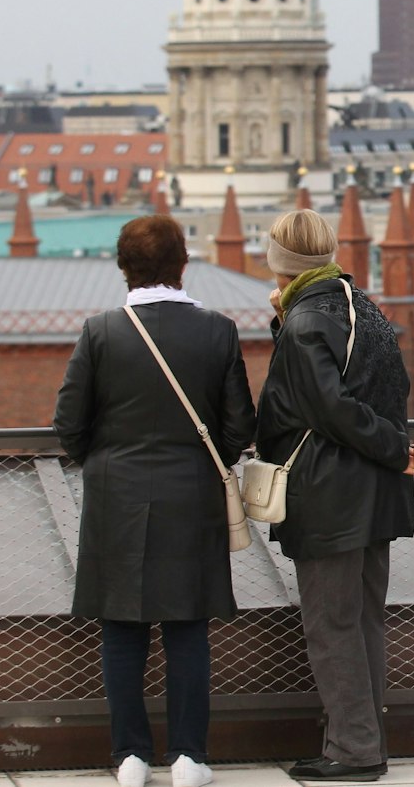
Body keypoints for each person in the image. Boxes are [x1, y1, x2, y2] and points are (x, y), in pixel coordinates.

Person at [53, 214, 256, 787]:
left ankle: (131, 757)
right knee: (187, 628)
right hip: (191, 495)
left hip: (115, 497)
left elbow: (68, 423)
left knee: (121, 629)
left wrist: (105, 459)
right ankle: (190, 756)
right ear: (183, 262)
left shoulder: (100, 332)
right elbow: (240, 425)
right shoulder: (218, 330)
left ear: (123, 266)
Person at [255, 209, 414, 782]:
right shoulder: (362, 308)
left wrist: (391, 448)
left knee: (331, 624)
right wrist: (393, 450)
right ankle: (360, 741)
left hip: (330, 492)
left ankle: (352, 751)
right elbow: (385, 389)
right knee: (363, 621)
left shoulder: (305, 323)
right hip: (374, 493)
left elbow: (327, 408)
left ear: (281, 263)